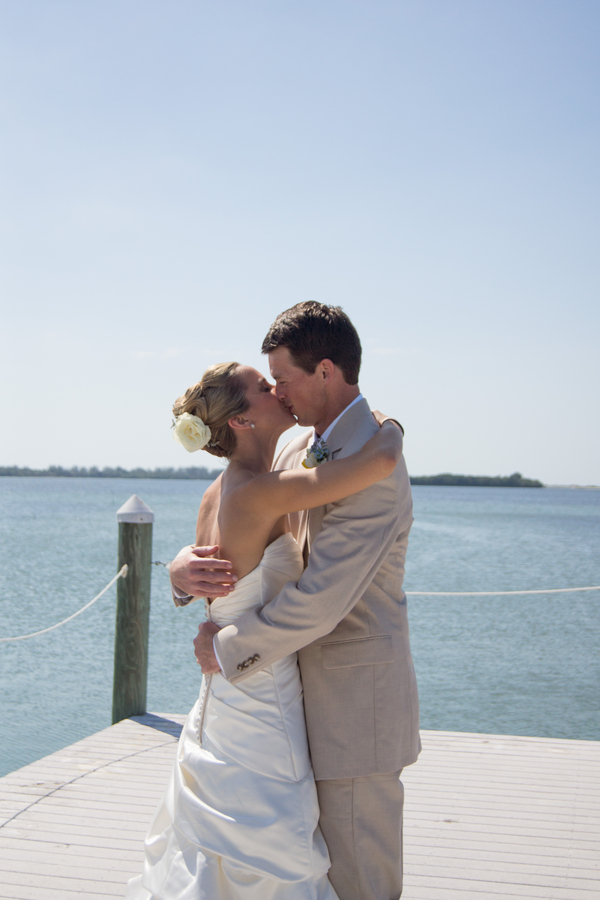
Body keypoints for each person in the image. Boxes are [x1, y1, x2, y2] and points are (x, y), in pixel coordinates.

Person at [127, 355, 405, 900]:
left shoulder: (221, 489)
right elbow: (376, 465)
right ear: (241, 421)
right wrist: (392, 428)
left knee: (218, 848)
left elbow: (209, 569)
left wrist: (179, 574)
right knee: (273, 847)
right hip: (262, 696)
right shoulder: (262, 490)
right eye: (262, 387)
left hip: (221, 693)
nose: (278, 390)